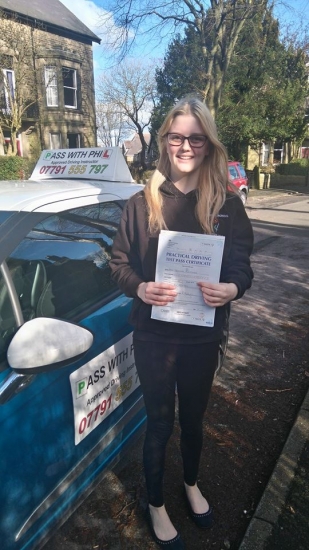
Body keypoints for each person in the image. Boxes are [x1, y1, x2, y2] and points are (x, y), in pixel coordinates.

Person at [110, 96, 254, 549]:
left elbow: (240, 267)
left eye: (195, 138)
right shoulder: (140, 204)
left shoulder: (227, 207)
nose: (185, 146)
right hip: (154, 335)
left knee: (193, 420)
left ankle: (190, 484)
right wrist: (139, 287)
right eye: (177, 137)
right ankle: (156, 502)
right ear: (164, 141)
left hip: (201, 337)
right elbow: (117, 263)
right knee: (159, 423)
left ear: (208, 145)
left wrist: (231, 289)